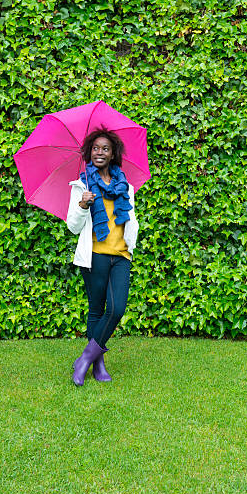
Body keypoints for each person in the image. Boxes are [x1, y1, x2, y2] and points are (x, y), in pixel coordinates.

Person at [66, 128, 139, 386]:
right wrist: (83, 205)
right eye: (96, 148)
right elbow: (72, 226)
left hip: (120, 255)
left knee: (117, 308)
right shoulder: (82, 184)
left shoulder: (125, 186)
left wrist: (131, 244)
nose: (100, 152)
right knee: (96, 310)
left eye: (105, 148)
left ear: (112, 154)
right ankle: (99, 365)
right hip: (94, 255)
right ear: (90, 151)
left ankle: (85, 359)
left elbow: (132, 220)